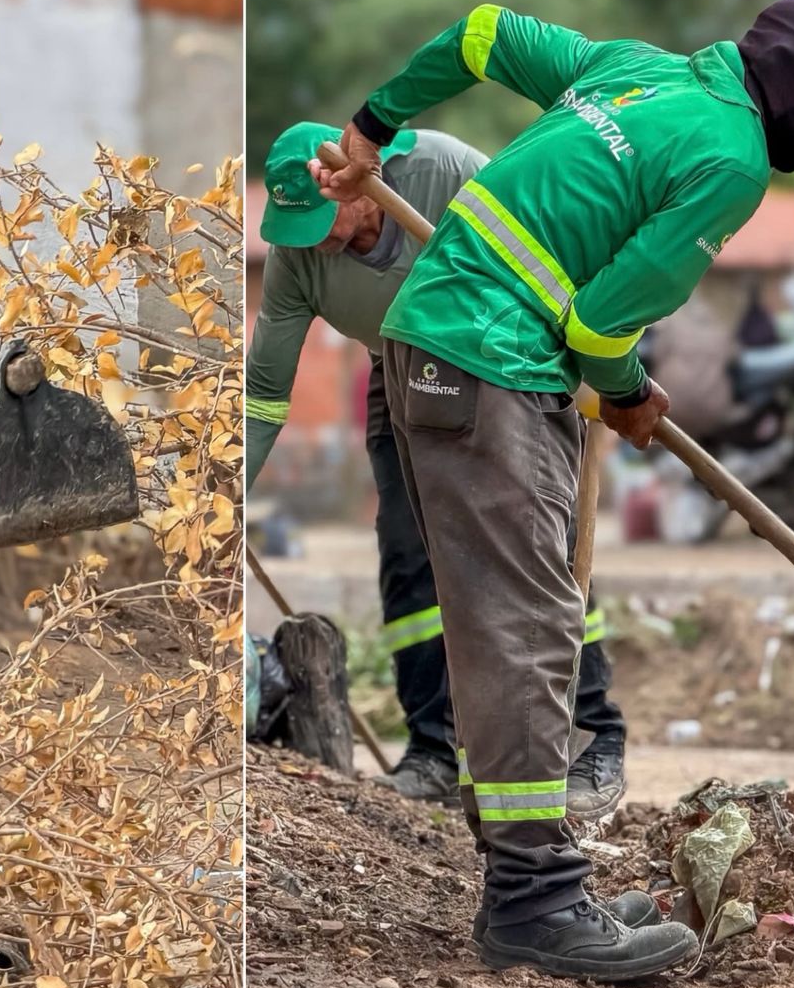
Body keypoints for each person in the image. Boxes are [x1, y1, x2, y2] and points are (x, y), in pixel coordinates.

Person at [320, 0, 794, 980]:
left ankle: (540, 882)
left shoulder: (636, 66)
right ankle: (531, 904)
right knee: (528, 628)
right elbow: (598, 329)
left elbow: (482, 33)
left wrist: (371, 126)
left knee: (526, 620)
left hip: (449, 343)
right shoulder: (729, 161)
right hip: (488, 362)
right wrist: (629, 398)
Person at [246, 121, 630, 822]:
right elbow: (265, 393)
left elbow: (553, 244)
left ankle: (594, 736)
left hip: (508, 361)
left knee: (538, 544)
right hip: (402, 369)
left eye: (318, 216)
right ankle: (433, 751)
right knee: (408, 550)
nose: (310, 241)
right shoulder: (298, 257)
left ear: (358, 180)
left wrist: (605, 360)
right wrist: (226, 497)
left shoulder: (444, 170)